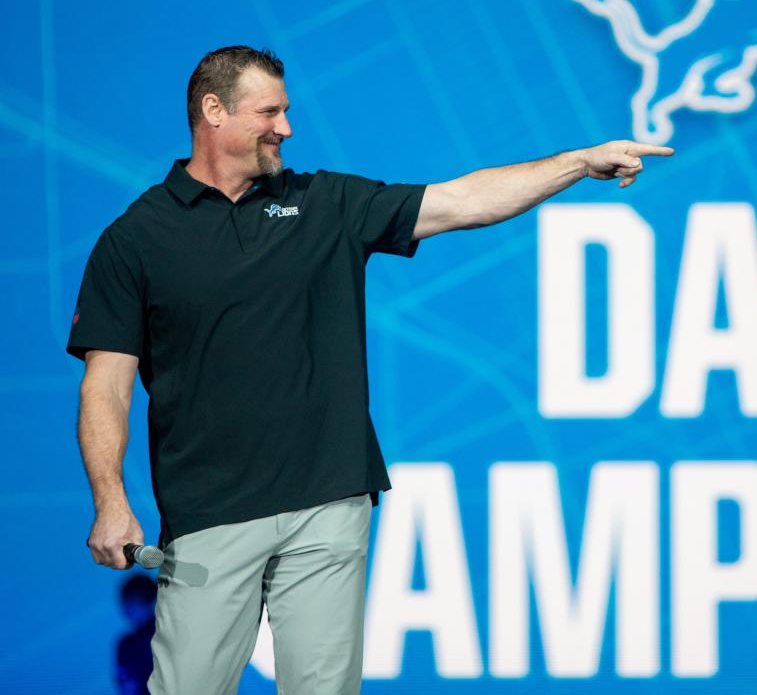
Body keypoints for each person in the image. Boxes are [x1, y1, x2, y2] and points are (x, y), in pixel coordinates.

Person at [69, 45, 673, 694]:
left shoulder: (324, 202)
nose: (287, 127)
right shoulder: (135, 239)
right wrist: (111, 500)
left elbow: (461, 201)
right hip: (209, 512)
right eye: (269, 111)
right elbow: (106, 384)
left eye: (287, 110)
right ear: (213, 111)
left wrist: (578, 163)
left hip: (328, 500)